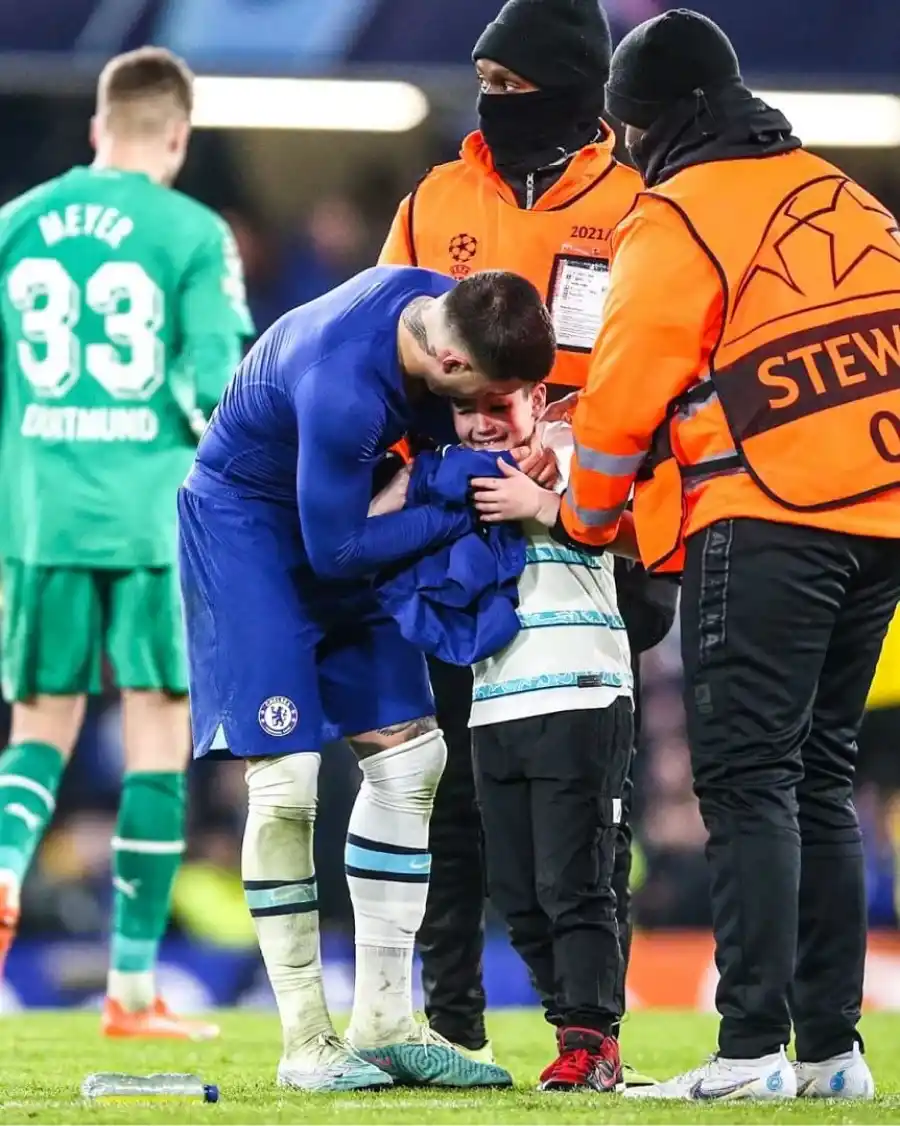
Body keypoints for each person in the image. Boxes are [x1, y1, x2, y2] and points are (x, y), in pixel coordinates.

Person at [529, 7, 900, 1102]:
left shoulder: (677, 214)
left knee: (746, 781)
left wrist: (592, 519)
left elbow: (624, 389)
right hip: (880, 520)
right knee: (822, 781)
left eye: (630, 129)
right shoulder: (851, 199)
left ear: (666, 122)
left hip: (768, 509)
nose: (627, 147)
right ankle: (834, 1052)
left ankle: (749, 1053)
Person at [378, 0, 674, 1081]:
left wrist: (594, 464)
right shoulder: (436, 201)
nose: (494, 102)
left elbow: (673, 368)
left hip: (600, 540)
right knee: (454, 787)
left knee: (584, 798)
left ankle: (586, 1032)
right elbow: (391, 352)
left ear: (573, 86)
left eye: (515, 85)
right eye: (485, 83)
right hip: (461, 537)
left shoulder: (644, 206)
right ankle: (452, 1021)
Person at [177, 265, 555, 1091]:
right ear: (452, 365)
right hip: (253, 535)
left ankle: (385, 1021)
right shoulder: (344, 381)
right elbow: (336, 552)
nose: (498, 419)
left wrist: (467, 467)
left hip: (346, 511)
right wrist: (462, 500)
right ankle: (305, 1041)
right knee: (287, 782)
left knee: (414, 758)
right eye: (492, 400)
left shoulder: (444, 305)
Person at [0, 47, 253, 1039]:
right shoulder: (191, 232)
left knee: (39, 730)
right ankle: (132, 990)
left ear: (97, 127)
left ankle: (5, 865)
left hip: (40, 513)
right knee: (157, 732)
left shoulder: (14, 227)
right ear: (178, 137)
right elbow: (208, 393)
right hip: (152, 518)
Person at [449, 380, 635, 1091]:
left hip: (582, 688)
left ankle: (590, 1040)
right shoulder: (450, 472)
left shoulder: (581, 445)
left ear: (533, 394)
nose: (481, 424)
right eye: (467, 409)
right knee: (517, 893)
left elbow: (648, 533)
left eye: (497, 406)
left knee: (575, 882)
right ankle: (581, 1035)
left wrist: (546, 507)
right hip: (491, 700)